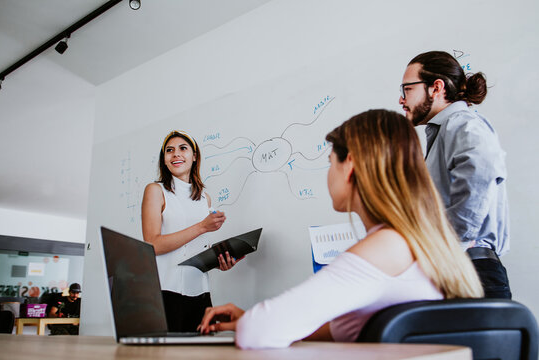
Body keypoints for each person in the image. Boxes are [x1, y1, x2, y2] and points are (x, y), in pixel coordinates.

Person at [198, 109, 483, 349]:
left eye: (330, 162)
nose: (329, 173)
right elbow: (342, 329)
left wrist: (251, 322)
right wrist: (248, 317)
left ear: (350, 166)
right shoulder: (420, 242)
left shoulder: (387, 246)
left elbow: (256, 332)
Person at [398, 51, 511, 299]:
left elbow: (481, 173)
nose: (401, 99)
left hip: (470, 270)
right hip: (459, 268)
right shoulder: (447, 129)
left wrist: (447, 241)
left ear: (435, 88)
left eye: (407, 89)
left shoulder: (462, 124)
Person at [141, 130, 238, 332]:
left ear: (194, 157)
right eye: (169, 150)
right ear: (164, 160)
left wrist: (218, 262)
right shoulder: (156, 190)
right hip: (165, 294)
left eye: (183, 148)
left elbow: (193, 250)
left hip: (201, 296)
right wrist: (202, 226)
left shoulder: (205, 199)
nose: (176, 154)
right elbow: (152, 244)